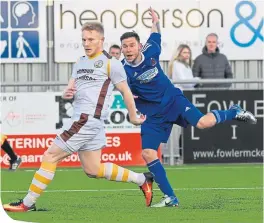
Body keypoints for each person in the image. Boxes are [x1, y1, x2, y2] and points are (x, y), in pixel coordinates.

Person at [3, 21, 154, 212]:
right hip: (86, 121)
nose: (87, 43)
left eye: (91, 39)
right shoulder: (80, 61)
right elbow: (72, 85)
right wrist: (68, 90)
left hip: (87, 120)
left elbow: (125, 91)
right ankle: (142, 179)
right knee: (93, 169)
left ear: (101, 40)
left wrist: (133, 117)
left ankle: (27, 203)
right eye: (84, 39)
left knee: (50, 155)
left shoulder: (111, 63)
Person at [120, 7, 257, 208]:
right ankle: (170, 198)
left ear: (139, 46)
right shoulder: (121, 70)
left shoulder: (151, 50)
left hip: (173, 100)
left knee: (203, 123)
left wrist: (155, 20)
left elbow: (156, 32)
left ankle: (234, 111)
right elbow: (122, 92)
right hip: (153, 113)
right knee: (148, 153)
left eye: (131, 45)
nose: (128, 49)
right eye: (125, 46)